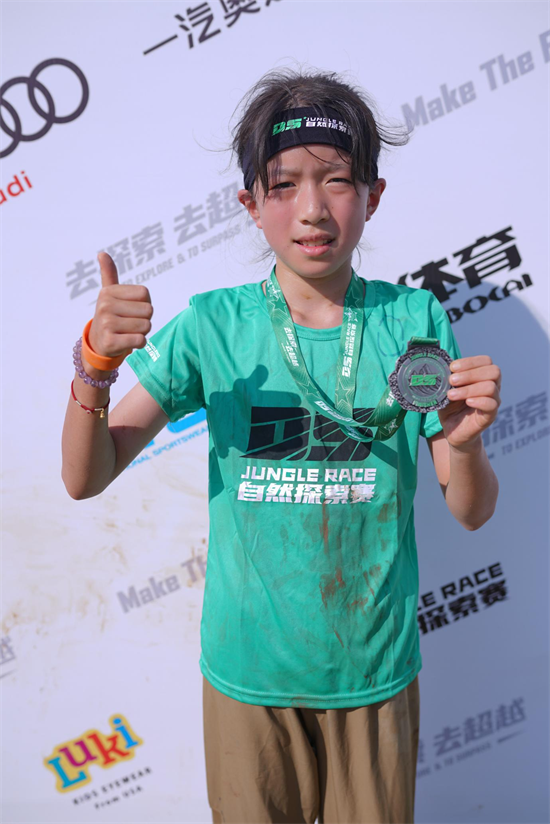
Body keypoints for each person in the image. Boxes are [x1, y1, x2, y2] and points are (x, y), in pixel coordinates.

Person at [61, 67, 501, 824]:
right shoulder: (213, 325)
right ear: (251, 205)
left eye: (336, 181)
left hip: (373, 673)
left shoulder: (414, 321)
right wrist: (94, 367)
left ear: (372, 196)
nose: (313, 209)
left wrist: (463, 447)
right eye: (284, 184)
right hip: (248, 677)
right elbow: (85, 475)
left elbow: (471, 511)